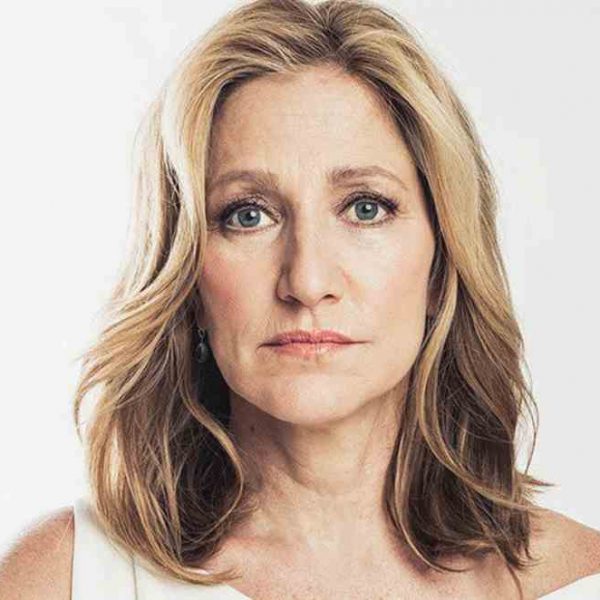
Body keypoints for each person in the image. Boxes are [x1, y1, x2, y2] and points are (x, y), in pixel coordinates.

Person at [1, 0, 599, 598]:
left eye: (365, 208)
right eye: (248, 215)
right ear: (187, 277)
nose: (308, 281)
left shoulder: (580, 578)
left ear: (442, 261)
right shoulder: (64, 579)